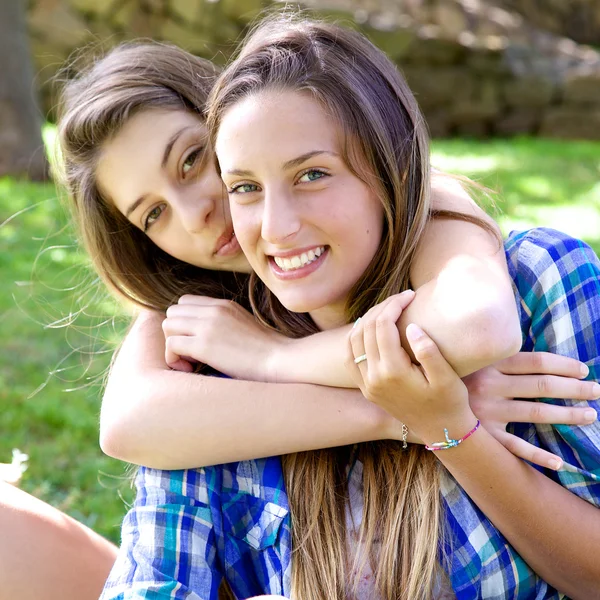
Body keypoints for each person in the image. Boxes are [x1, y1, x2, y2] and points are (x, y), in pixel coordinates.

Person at [16, 32, 594, 600]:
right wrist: (412, 412)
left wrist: (277, 359)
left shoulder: (487, 251)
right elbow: (129, 425)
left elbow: (474, 327)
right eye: (154, 214)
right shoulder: (200, 350)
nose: (197, 216)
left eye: (194, 161)